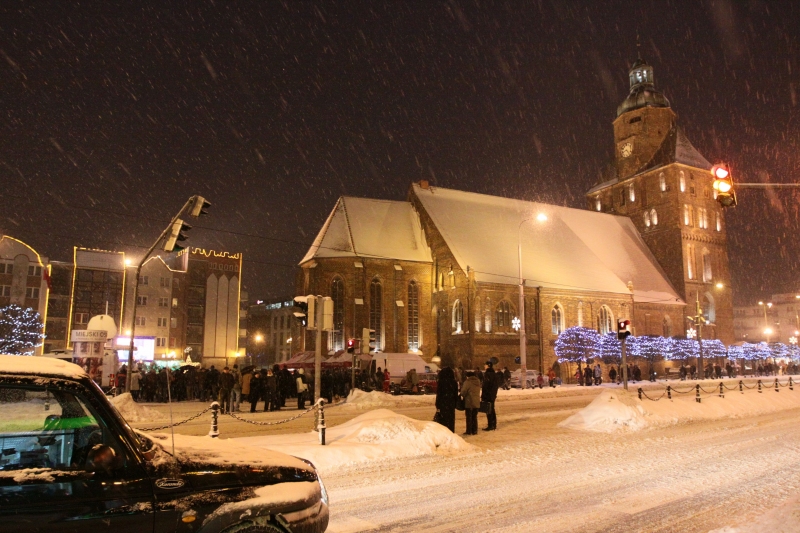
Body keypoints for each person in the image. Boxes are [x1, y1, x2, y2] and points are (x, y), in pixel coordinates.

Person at [435, 367, 459, 432]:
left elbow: (439, 394)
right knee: (451, 420)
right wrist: (455, 403)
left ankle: (444, 433)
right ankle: (451, 432)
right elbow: (455, 394)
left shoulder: (441, 382)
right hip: (451, 404)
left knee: (443, 421)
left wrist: (437, 404)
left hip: (443, 404)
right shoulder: (454, 382)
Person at [460, 371, 481, 435]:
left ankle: (469, 430)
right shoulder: (478, 382)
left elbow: (463, 391)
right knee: (474, 416)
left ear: (468, 376)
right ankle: (474, 430)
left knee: (469, 417)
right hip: (476, 401)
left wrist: (462, 394)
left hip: (469, 401)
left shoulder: (467, 382)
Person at [481, 361, 499, 431]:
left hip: (488, 395)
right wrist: (493, 394)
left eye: (485, 365)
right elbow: (495, 385)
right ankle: (493, 424)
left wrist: (484, 395)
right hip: (492, 395)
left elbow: (486, 386)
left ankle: (490, 425)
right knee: (492, 410)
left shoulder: (487, 374)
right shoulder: (494, 374)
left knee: (488, 410)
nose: (484, 366)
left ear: (488, 366)